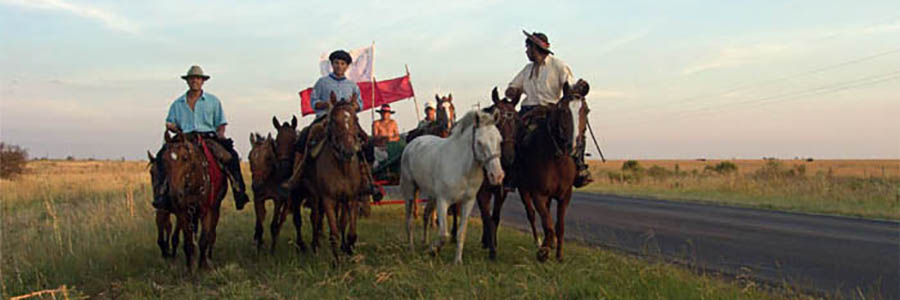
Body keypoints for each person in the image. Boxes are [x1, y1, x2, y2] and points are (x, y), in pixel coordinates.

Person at [152, 65, 250, 210]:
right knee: (161, 157)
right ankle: (162, 194)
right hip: (184, 137)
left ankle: (239, 191)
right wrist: (172, 127)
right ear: (187, 81)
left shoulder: (213, 101)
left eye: (197, 78)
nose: (195, 81)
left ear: (202, 81)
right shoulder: (177, 103)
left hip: (207, 137)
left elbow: (221, 123)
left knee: (231, 157)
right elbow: (169, 122)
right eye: (192, 79)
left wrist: (221, 136)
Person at [290, 50, 382, 201]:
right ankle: (296, 176)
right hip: (325, 118)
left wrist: (353, 106)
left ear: (347, 67)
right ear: (332, 65)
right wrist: (326, 104)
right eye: (336, 63)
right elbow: (313, 102)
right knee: (304, 137)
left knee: (366, 142)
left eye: (342, 64)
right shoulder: (322, 83)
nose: (339, 66)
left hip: (347, 121)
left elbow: (359, 104)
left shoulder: (352, 86)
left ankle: (367, 180)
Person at [505, 31, 593, 187]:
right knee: (512, 136)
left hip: (550, 110)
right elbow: (513, 86)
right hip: (527, 111)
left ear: (535, 48)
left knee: (574, 132)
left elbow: (570, 87)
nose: (526, 51)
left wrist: (579, 87)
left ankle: (579, 168)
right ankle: (513, 173)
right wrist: (511, 91)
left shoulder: (558, 65)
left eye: (528, 48)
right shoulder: (527, 69)